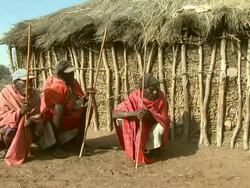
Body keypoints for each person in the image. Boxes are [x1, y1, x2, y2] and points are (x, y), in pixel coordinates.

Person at [112, 73, 170, 164]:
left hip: (151, 128)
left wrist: (150, 116)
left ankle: (153, 149)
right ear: (142, 90)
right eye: (151, 89)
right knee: (121, 121)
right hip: (137, 128)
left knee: (161, 126)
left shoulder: (160, 97)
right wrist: (135, 113)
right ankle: (135, 146)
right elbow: (114, 114)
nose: (155, 92)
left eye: (156, 89)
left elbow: (164, 119)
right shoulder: (134, 97)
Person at [40, 59, 88, 157]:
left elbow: (79, 99)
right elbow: (54, 107)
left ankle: (78, 142)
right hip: (52, 115)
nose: (72, 74)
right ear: (60, 74)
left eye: (72, 72)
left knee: (86, 107)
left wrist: (86, 98)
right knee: (59, 108)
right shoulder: (55, 84)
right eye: (69, 73)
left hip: (68, 112)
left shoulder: (73, 82)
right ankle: (56, 145)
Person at [0, 68, 43, 165]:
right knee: (8, 132)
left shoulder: (34, 94)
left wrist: (31, 120)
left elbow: (37, 114)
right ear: (15, 84)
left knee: (40, 127)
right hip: (10, 126)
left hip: (28, 126)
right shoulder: (5, 94)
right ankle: (9, 149)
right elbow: (2, 116)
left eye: (31, 82)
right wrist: (19, 112)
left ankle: (26, 147)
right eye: (25, 82)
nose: (30, 86)